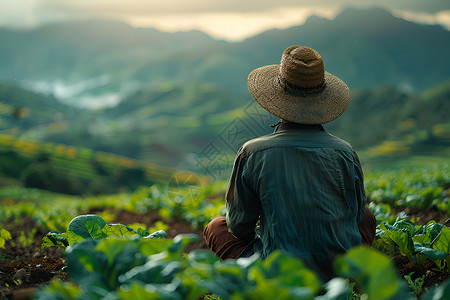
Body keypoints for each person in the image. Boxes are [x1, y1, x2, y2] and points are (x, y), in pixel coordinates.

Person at [203, 45, 376, 281]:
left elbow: (239, 226)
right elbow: (356, 216)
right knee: (367, 215)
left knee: (216, 227)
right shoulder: (346, 152)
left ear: (277, 97)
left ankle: (261, 278)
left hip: (279, 273)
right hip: (340, 271)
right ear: (323, 98)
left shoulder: (252, 152)